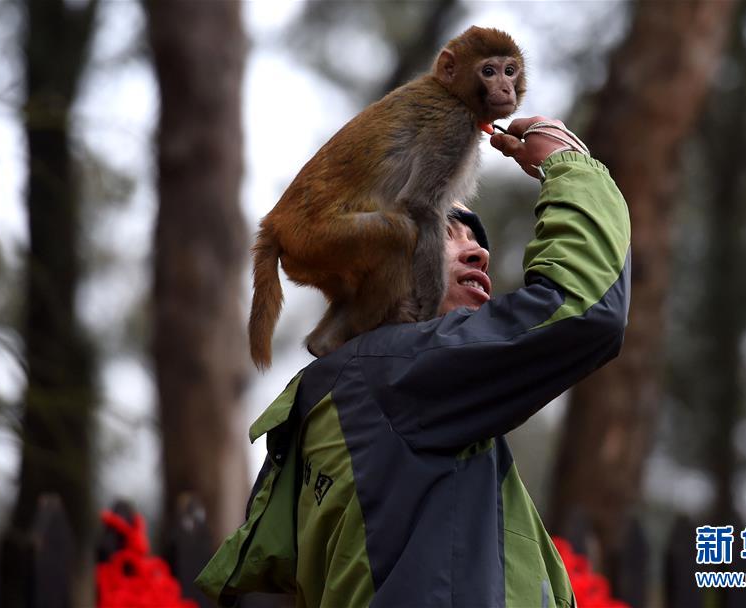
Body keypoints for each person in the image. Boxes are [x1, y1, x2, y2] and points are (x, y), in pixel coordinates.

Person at [197, 117, 632, 608]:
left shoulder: (352, 395)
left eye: (476, 240)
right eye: (445, 232)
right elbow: (583, 304)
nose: (479, 252)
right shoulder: (395, 377)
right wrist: (569, 163)